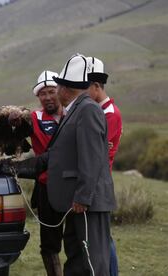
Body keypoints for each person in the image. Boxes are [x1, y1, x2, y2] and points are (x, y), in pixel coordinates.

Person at [45, 54, 116, 276]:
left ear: (65, 89)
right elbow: (61, 155)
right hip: (78, 203)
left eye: (57, 87)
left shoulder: (88, 110)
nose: (55, 91)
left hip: (87, 204)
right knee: (77, 261)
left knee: (92, 263)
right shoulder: (77, 109)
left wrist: (83, 197)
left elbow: (92, 157)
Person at [87, 56, 123, 276]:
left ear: (97, 87)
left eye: (86, 88)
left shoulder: (109, 114)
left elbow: (98, 151)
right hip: (98, 181)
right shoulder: (102, 111)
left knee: (103, 238)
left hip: (100, 182)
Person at [29, 70, 64, 276]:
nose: (48, 97)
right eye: (42, 94)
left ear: (60, 91)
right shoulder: (34, 118)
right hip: (46, 186)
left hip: (74, 185)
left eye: (51, 91)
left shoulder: (73, 114)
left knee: (78, 237)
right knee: (50, 242)